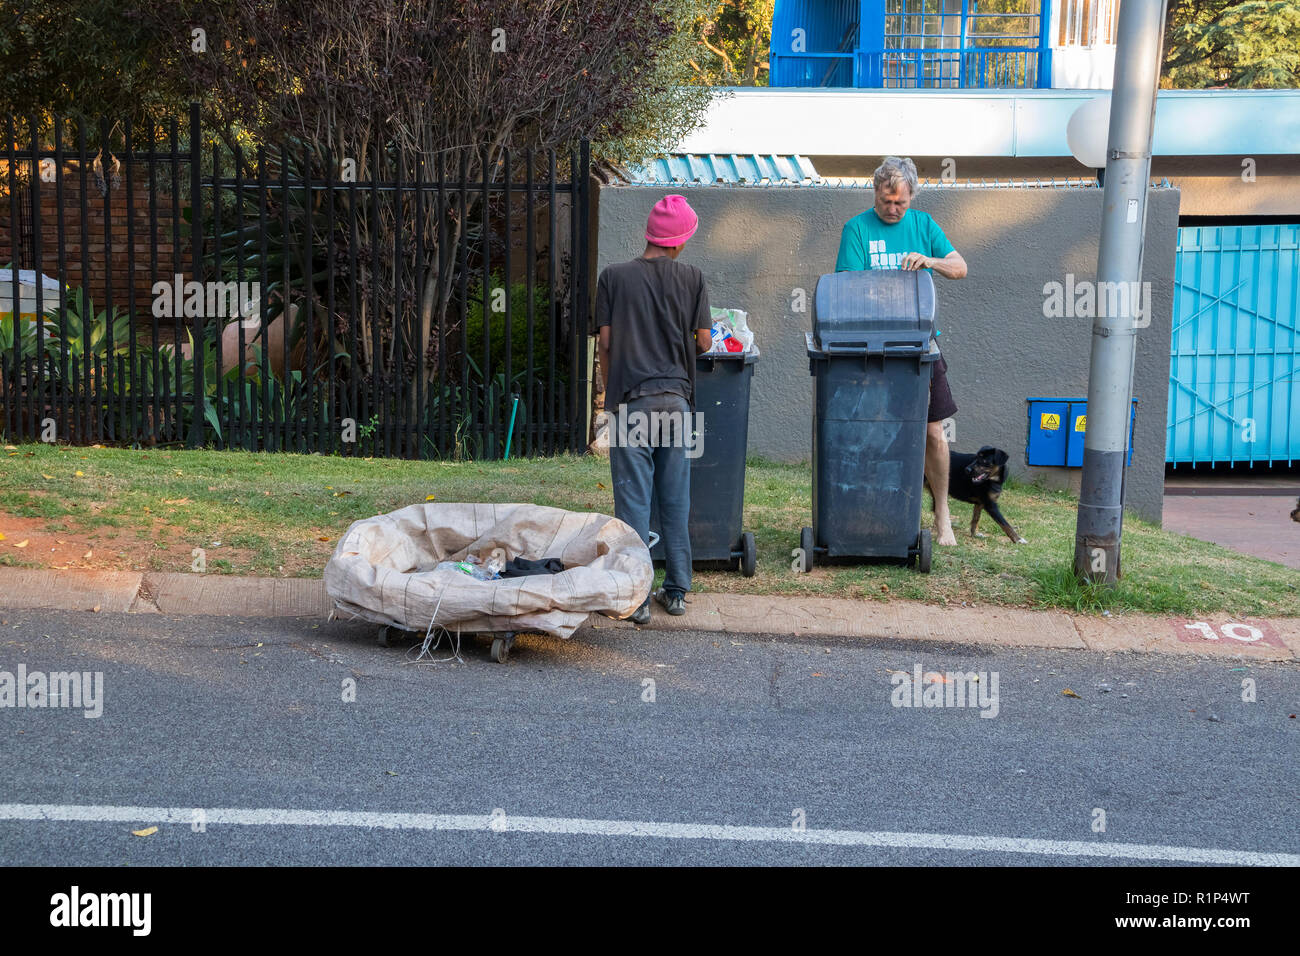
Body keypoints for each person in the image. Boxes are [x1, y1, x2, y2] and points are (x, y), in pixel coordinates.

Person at [834, 156, 969, 546]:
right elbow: (848, 290)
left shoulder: (923, 225)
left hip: (922, 343)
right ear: (875, 192)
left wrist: (930, 261)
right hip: (873, 346)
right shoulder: (856, 229)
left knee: (933, 433)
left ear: (912, 197)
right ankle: (869, 508)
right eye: (885, 201)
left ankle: (942, 515)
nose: (892, 210)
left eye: (900, 203)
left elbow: (960, 267)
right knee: (870, 432)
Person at [596, 195, 712, 622]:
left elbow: (605, 342)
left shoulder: (613, 278)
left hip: (630, 404)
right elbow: (704, 342)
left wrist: (612, 399)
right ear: (679, 242)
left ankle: (638, 597)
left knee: (632, 503)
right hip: (677, 405)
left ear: (649, 234)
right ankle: (677, 589)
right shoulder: (693, 278)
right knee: (675, 497)